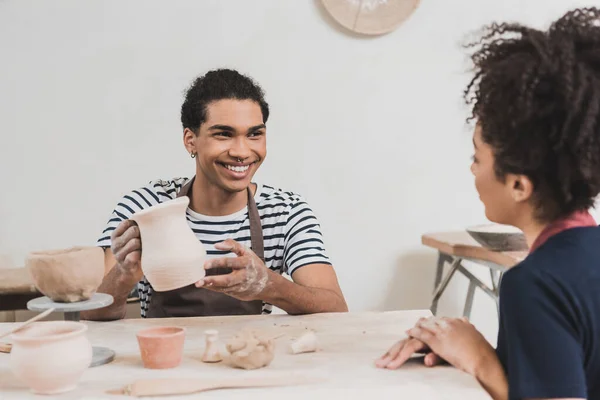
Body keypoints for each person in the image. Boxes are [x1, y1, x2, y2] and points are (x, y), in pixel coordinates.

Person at [376, 7, 600, 400]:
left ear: (518, 185)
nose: (472, 169)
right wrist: (463, 346)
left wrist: (478, 358)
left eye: (478, 157)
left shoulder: (535, 284)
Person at [82, 69, 347, 320]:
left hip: (246, 360)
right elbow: (91, 313)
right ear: (190, 140)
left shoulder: (286, 213)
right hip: (164, 361)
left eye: (254, 134)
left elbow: (336, 309)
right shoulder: (146, 206)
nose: (242, 151)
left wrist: (268, 284)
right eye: (224, 134)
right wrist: (124, 273)